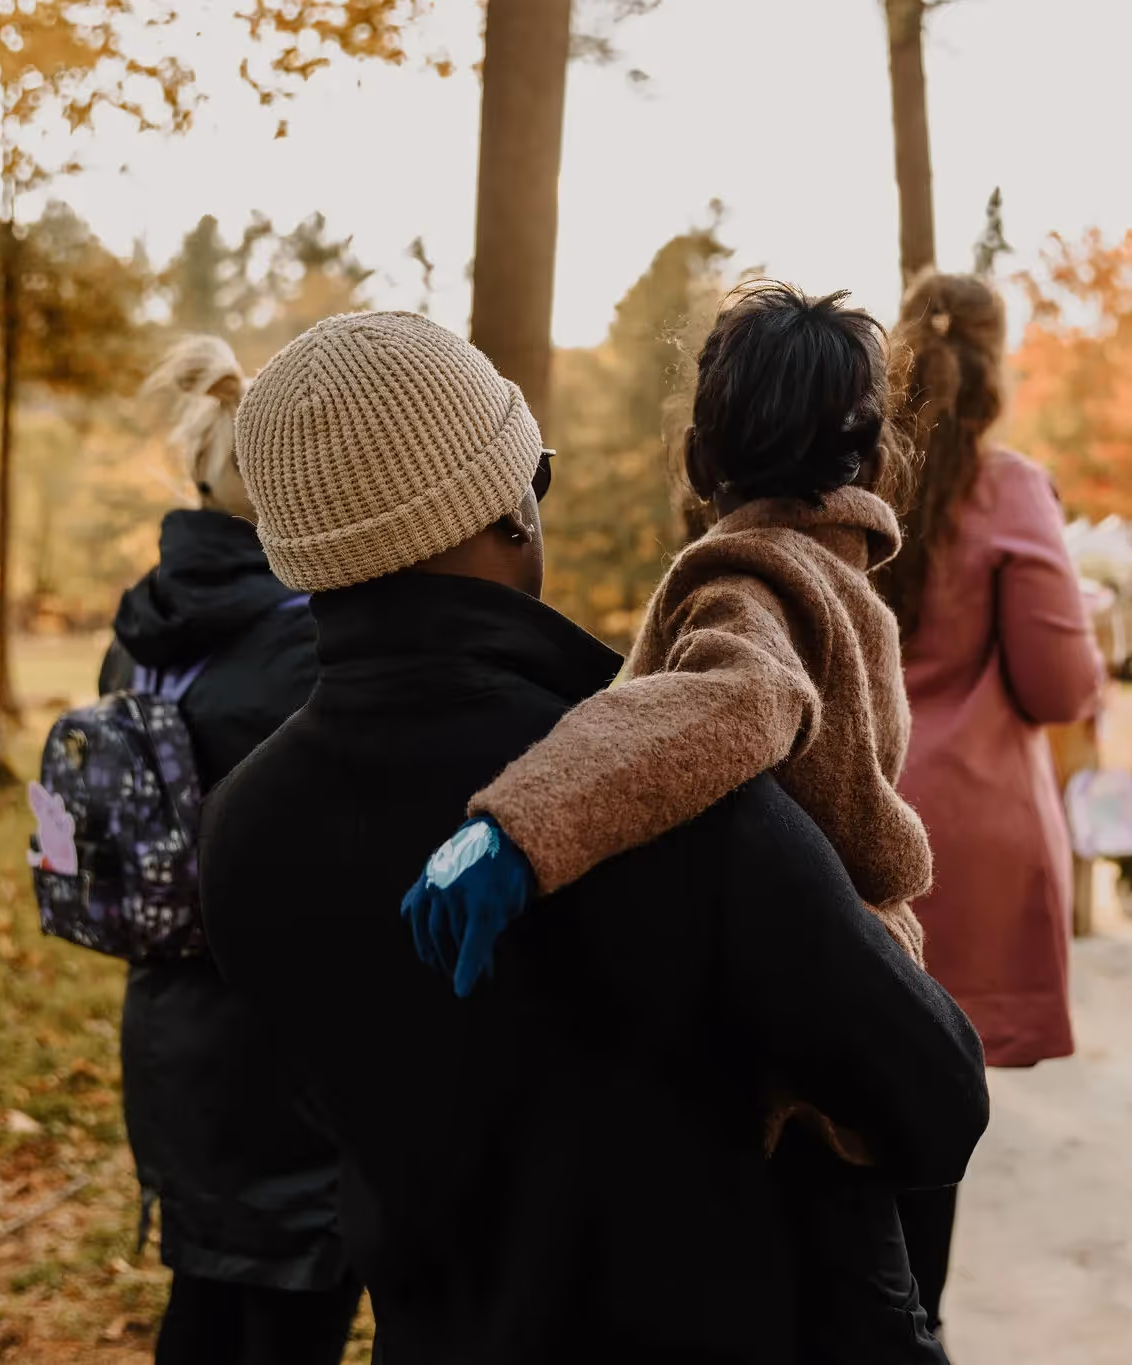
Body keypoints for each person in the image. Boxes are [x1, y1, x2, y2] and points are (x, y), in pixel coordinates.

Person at [199, 310, 989, 1365]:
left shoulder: (242, 829)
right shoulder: (667, 794)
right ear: (510, 514)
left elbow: (310, 1128)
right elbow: (933, 1101)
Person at [400, 281, 930, 992]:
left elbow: (742, 695)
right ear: (870, 463)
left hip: (778, 999)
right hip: (852, 963)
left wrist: (521, 829)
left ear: (699, 461)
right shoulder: (841, 585)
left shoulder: (748, 584)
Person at [100, 337, 359, 1365]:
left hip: (166, 1029)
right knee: (292, 1320)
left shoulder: (145, 625)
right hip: (284, 1045)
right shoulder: (308, 638)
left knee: (205, 1309)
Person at [880, 273, 1107, 1328]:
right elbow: (1057, 687)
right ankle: (908, 1330)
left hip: (838, 816)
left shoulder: (845, 468)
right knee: (924, 1117)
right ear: (994, 362)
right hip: (959, 847)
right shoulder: (1006, 487)